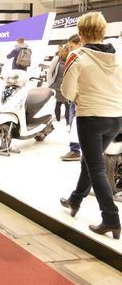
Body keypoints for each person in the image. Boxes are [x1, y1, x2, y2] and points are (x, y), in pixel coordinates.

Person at [60, 12, 122, 239]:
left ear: (80, 33)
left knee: (96, 168)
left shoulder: (77, 56)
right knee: (89, 161)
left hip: (91, 118)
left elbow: (67, 92)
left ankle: (111, 218)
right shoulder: (118, 55)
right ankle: (75, 199)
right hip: (116, 118)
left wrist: (80, 97)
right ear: (103, 31)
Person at [60, 34, 83, 162]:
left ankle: (75, 150)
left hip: (78, 97)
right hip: (77, 97)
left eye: (71, 47)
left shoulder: (77, 57)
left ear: (80, 43)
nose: (69, 50)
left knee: (74, 122)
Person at [47, 47, 70, 125]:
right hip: (56, 85)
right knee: (58, 104)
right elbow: (50, 72)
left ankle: (68, 124)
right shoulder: (57, 59)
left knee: (67, 105)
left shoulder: (71, 59)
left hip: (67, 86)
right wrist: (50, 83)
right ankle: (58, 121)